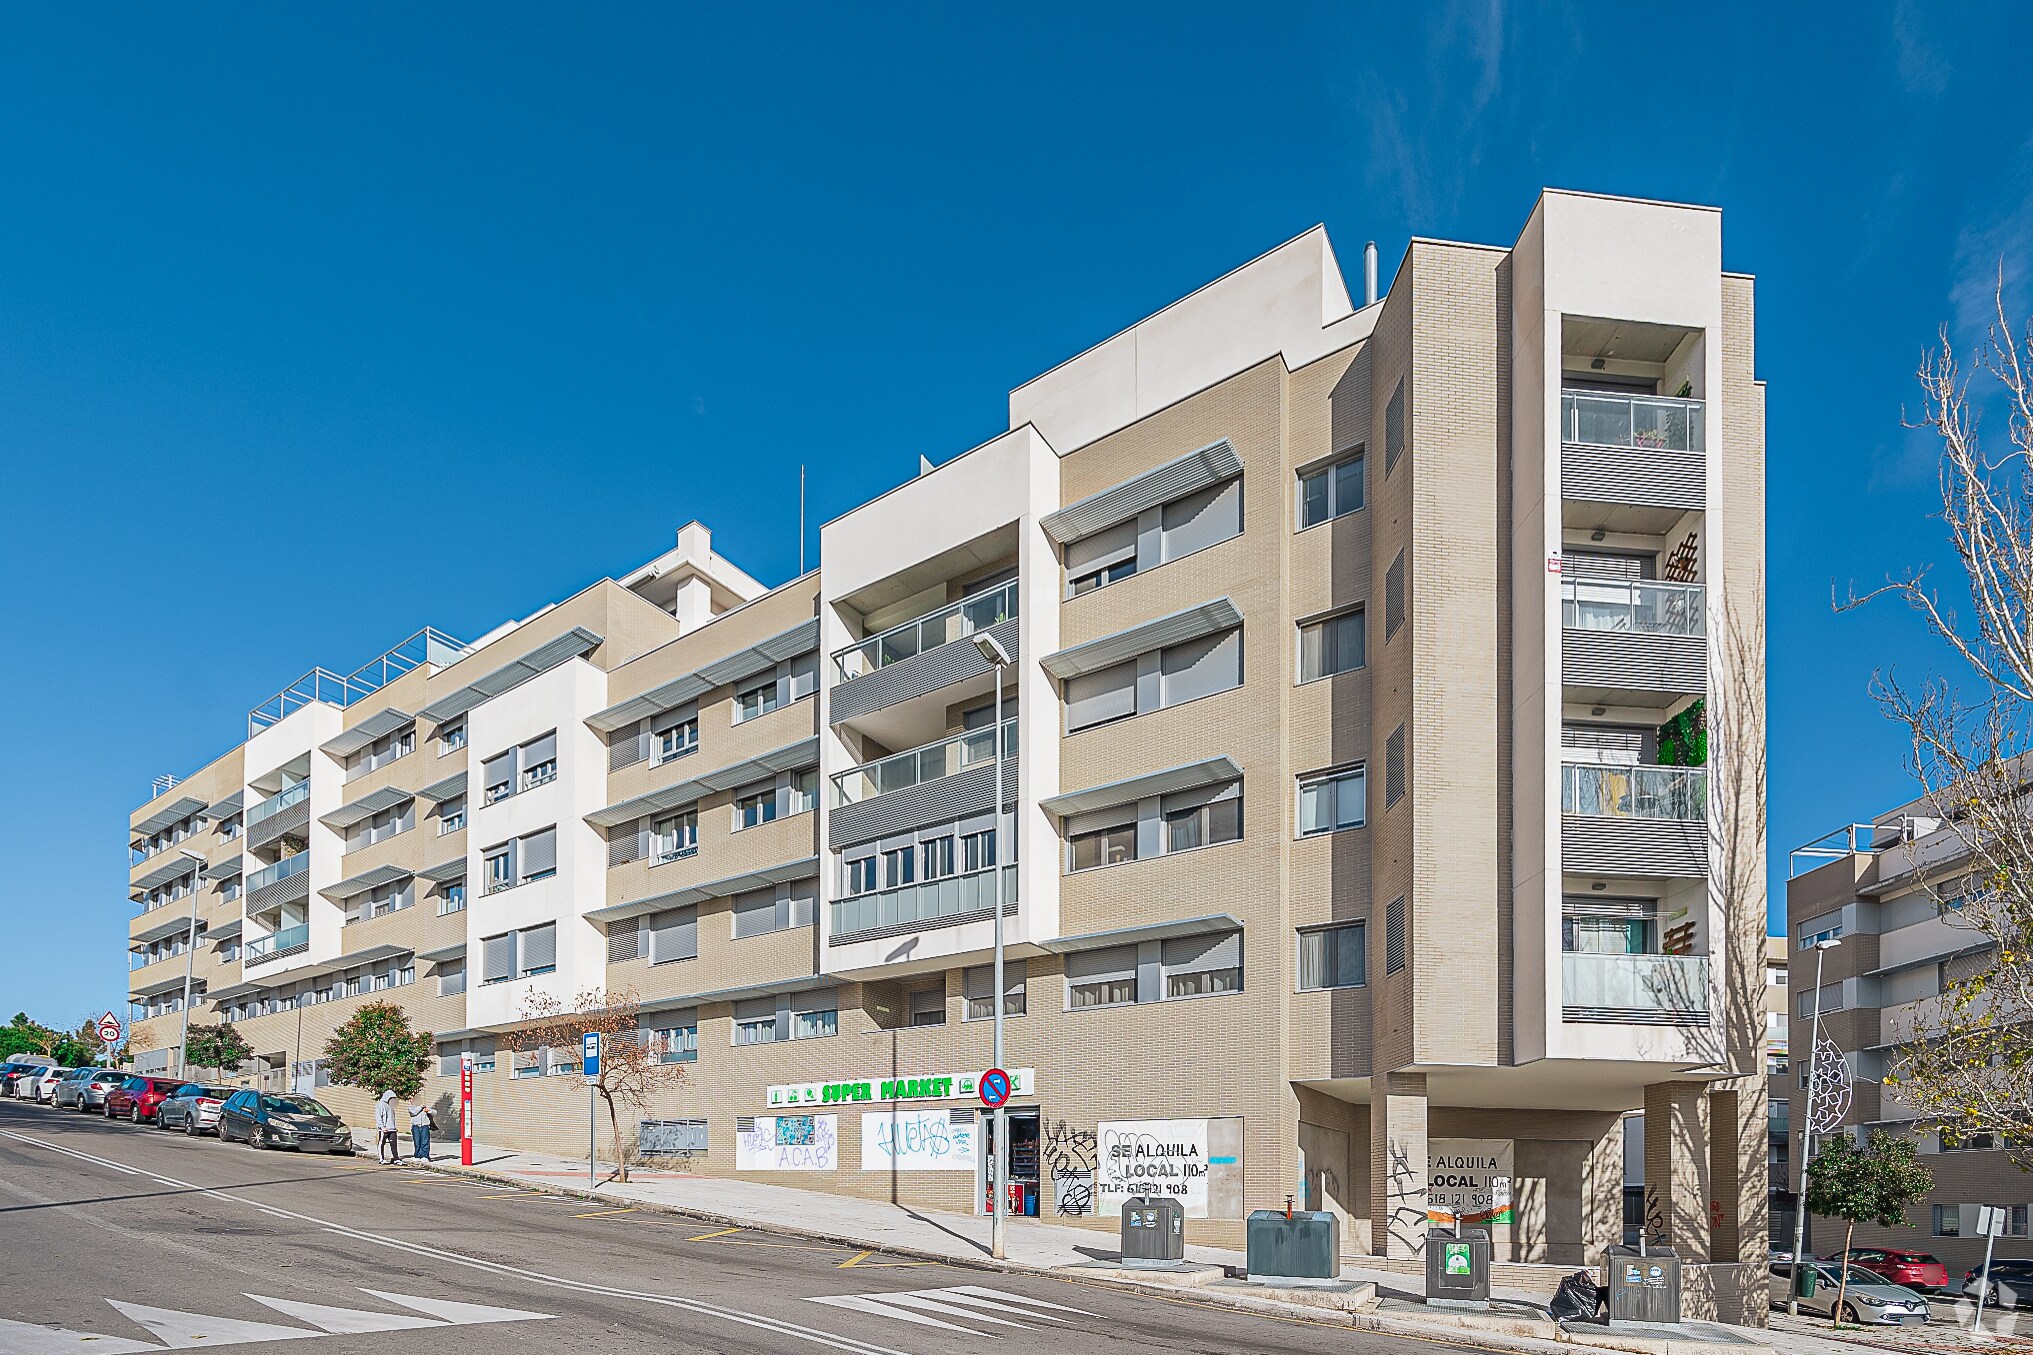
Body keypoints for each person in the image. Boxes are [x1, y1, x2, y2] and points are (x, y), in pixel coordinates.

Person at [375, 1089, 399, 1164]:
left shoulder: (391, 1106)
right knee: (381, 1143)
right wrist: (382, 1127)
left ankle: (396, 1159)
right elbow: (378, 1116)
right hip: (384, 1129)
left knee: (394, 1144)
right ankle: (381, 1159)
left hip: (392, 1128)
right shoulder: (380, 1104)